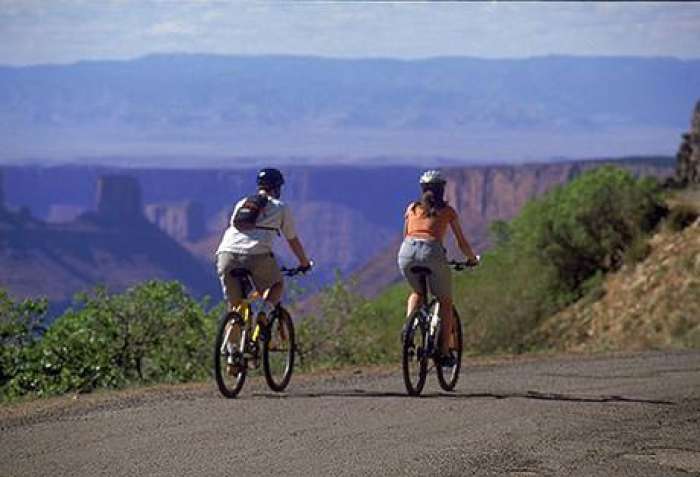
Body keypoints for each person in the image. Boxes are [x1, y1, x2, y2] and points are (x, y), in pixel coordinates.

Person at [397, 169, 478, 365]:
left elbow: (406, 235)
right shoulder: (448, 212)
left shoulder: (411, 208)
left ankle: (409, 328)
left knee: (417, 292)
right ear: (442, 190)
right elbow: (462, 243)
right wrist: (472, 259)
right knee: (445, 301)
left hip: (406, 252)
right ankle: (443, 352)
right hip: (432, 253)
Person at [216, 167, 311, 322]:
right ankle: (264, 313)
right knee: (277, 284)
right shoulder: (280, 207)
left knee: (235, 307)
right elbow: (292, 239)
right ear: (277, 187)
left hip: (225, 254)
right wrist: (304, 263)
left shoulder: (242, 203)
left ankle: (230, 345)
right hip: (257, 255)